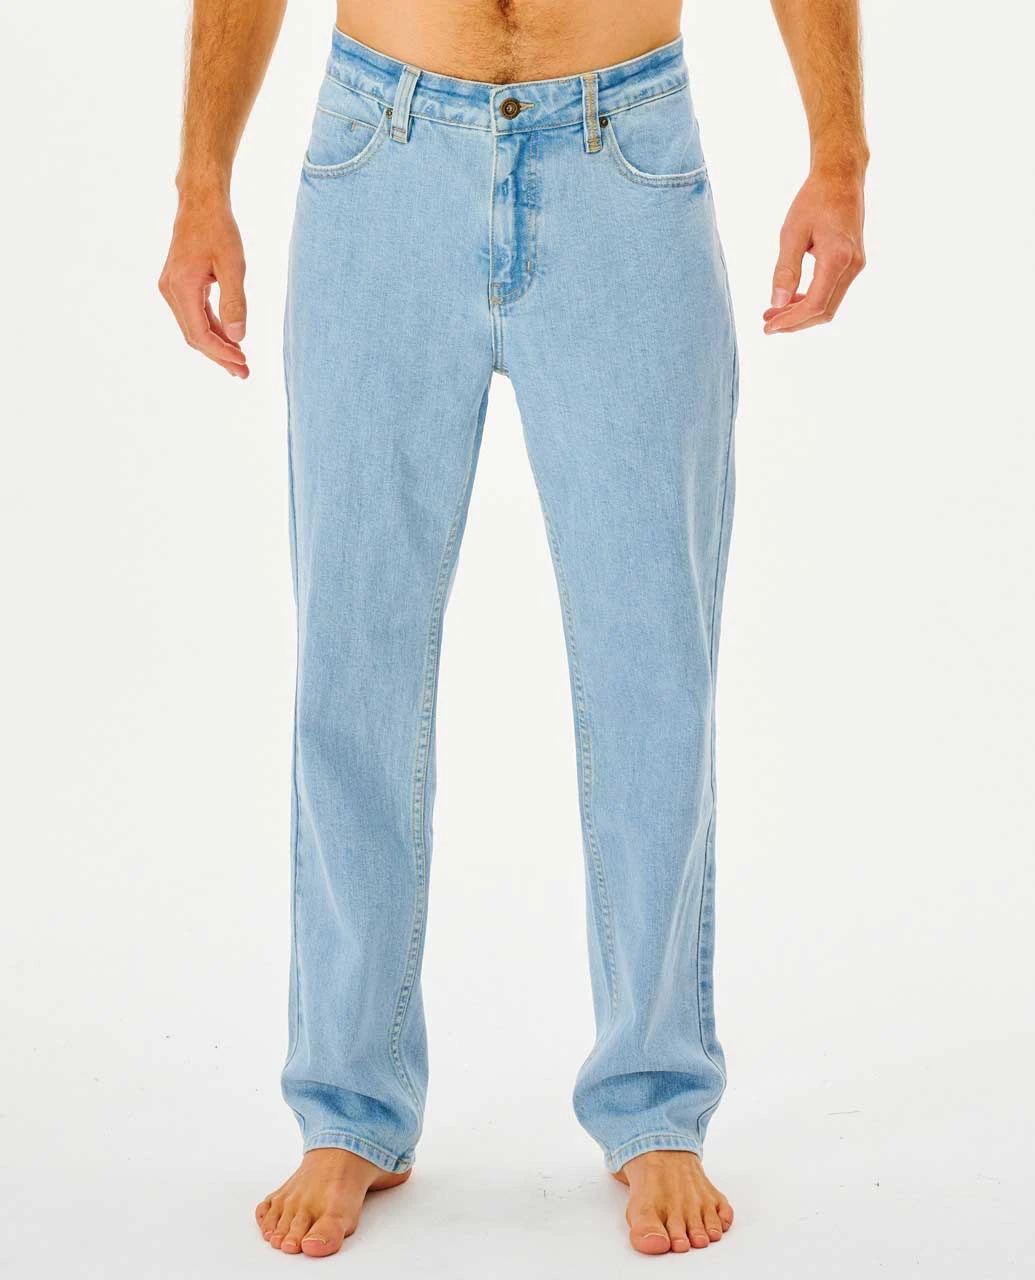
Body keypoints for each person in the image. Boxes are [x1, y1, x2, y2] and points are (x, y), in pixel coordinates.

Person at [159, 0, 866, 1258]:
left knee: (655, 668)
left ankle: (655, 1097)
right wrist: (200, 181)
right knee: (354, 674)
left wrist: (840, 157)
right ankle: (349, 1102)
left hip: (623, 152)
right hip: (380, 154)